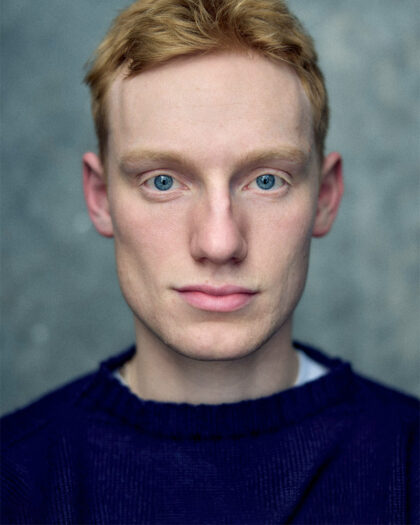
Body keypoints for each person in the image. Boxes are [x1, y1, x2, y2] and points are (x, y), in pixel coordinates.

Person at [1, 0, 418, 523]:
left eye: (266, 180)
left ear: (326, 197)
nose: (219, 243)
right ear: (101, 197)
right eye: (162, 181)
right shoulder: (14, 481)